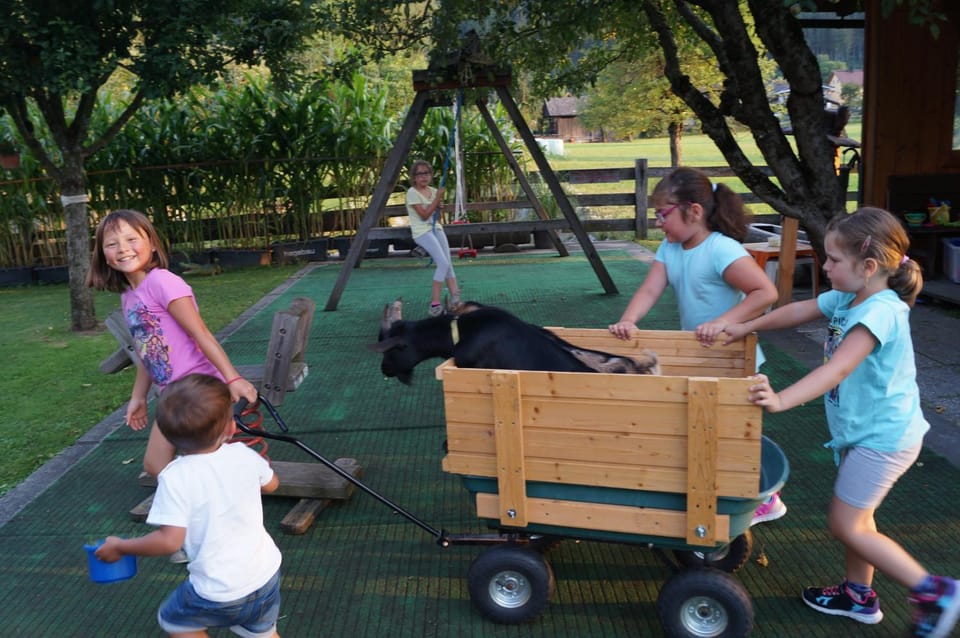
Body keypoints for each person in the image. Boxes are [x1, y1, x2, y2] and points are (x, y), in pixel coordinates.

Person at [721, 207, 958, 637]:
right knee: (859, 521)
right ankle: (857, 594)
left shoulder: (879, 311)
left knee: (845, 523)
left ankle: (934, 590)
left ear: (868, 266)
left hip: (883, 440)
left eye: (832, 259)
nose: (825, 266)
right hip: (864, 433)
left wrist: (781, 399)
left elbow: (838, 368)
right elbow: (798, 310)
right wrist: (745, 327)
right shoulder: (852, 297)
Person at [607, 167, 784, 525]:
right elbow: (650, 289)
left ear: (694, 211)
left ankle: (767, 499)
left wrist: (723, 322)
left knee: (735, 431)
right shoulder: (670, 248)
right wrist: (629, 320)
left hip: (732, 357)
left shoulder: (721, 249)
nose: (658, 223)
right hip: (700, 356)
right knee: (703, 429)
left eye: (663, 214)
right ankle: (712, 491)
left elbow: (765, 292)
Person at [95, 374, 283, 638]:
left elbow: (169, 542)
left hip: (219, 589)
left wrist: (121, 547)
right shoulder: (243, 454)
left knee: (176, 621)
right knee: (260, 630)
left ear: (168, 438)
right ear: (231, 428)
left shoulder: (175, 477)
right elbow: (272, 484)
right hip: (265, 573)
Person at [86, 209, 259, 479]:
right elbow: (146, 352)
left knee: (203, 463)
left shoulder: (162, 282)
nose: (123, 249)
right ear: (104, 256)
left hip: (198, 388)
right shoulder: (129, 296)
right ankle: (197, 497)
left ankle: (227, 494)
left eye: (132, 239)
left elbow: (201, 334)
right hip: (173, 394)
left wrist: (232, 378)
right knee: (156, 466)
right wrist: (138, 398)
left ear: (153, 244)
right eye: (112, 244)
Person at [405, 159, 461, 316]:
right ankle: (434, 304)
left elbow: (435, 216)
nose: (424, 176)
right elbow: (423, 216)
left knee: (448, 264)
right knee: (442, 263)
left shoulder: (434, 190)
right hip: (422, 232)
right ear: (414, 177)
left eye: (427, 173)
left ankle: (455, 299)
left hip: (436, 228)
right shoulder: (412, 193)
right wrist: (437, 200)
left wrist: (438, 207)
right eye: (419, 174)